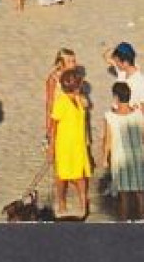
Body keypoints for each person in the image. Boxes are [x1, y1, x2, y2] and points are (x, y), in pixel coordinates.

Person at [103, 82, 144, 221]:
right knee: (140, 193)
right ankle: (143, 221)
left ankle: (124, 222)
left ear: (116, 97)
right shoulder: (138, 114)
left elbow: (108, 140)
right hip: (138, 156)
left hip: (120, 157)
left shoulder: (110, 116)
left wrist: (105, 158)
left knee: (124, 195)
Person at [50, 68, 92, 219]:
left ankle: (83, 204)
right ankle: (61, 203)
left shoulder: (79, 100)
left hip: (79, 144)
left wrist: (79, 97)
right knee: (62, 177)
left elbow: (87, 105)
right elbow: (53, 127)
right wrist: (51, 149)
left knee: (80, 176)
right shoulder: (61, 102)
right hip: (64, 145)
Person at [105, 42, 144, 131]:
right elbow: (106, 57)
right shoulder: (122, 70)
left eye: (117, 61)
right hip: (117, 115)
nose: (115, 63)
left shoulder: (139, 80)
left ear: (125, 62)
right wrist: (119, 49)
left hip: (129, 120)